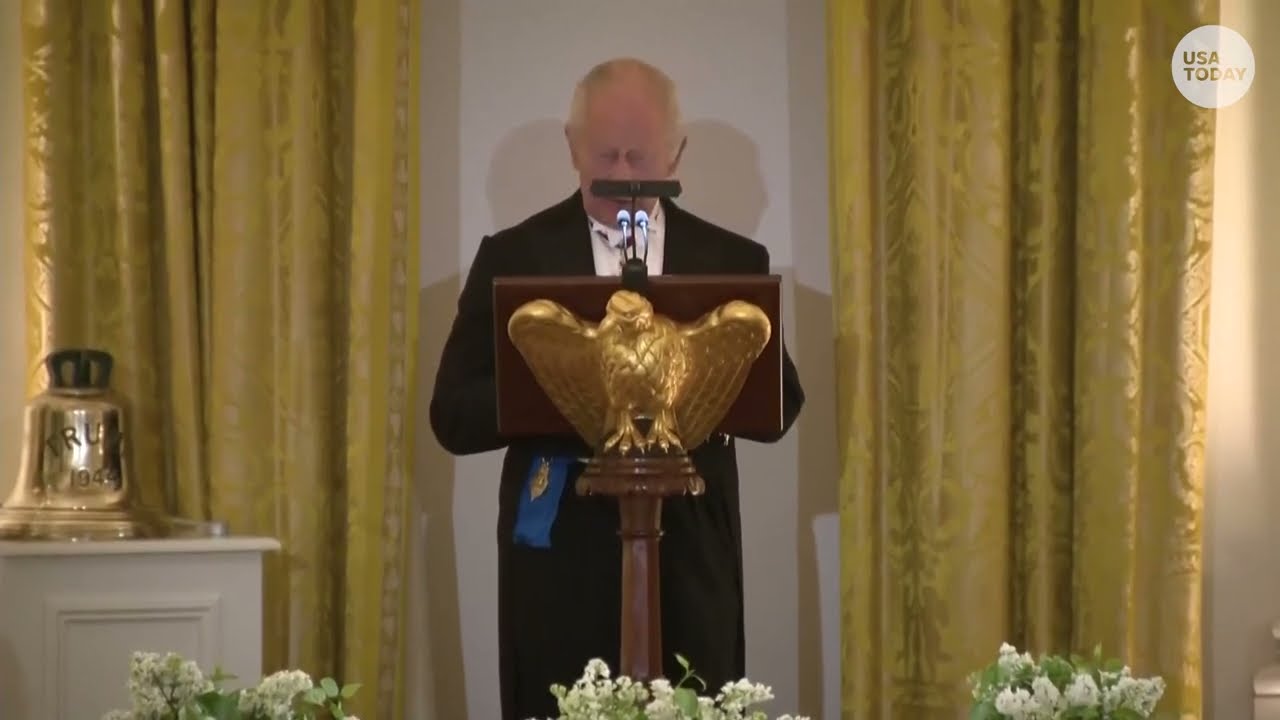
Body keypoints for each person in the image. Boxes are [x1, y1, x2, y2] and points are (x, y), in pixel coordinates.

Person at [429, 57, 804, 720]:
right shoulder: (514, 257)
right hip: (560, 561)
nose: (624, 174)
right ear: (573, 148)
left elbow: (781, 406)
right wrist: (569, 388)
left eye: (640, 156)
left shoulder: (730, 261)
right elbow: (453, 415)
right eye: (606, 155)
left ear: (676, 153)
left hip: (690, 552)